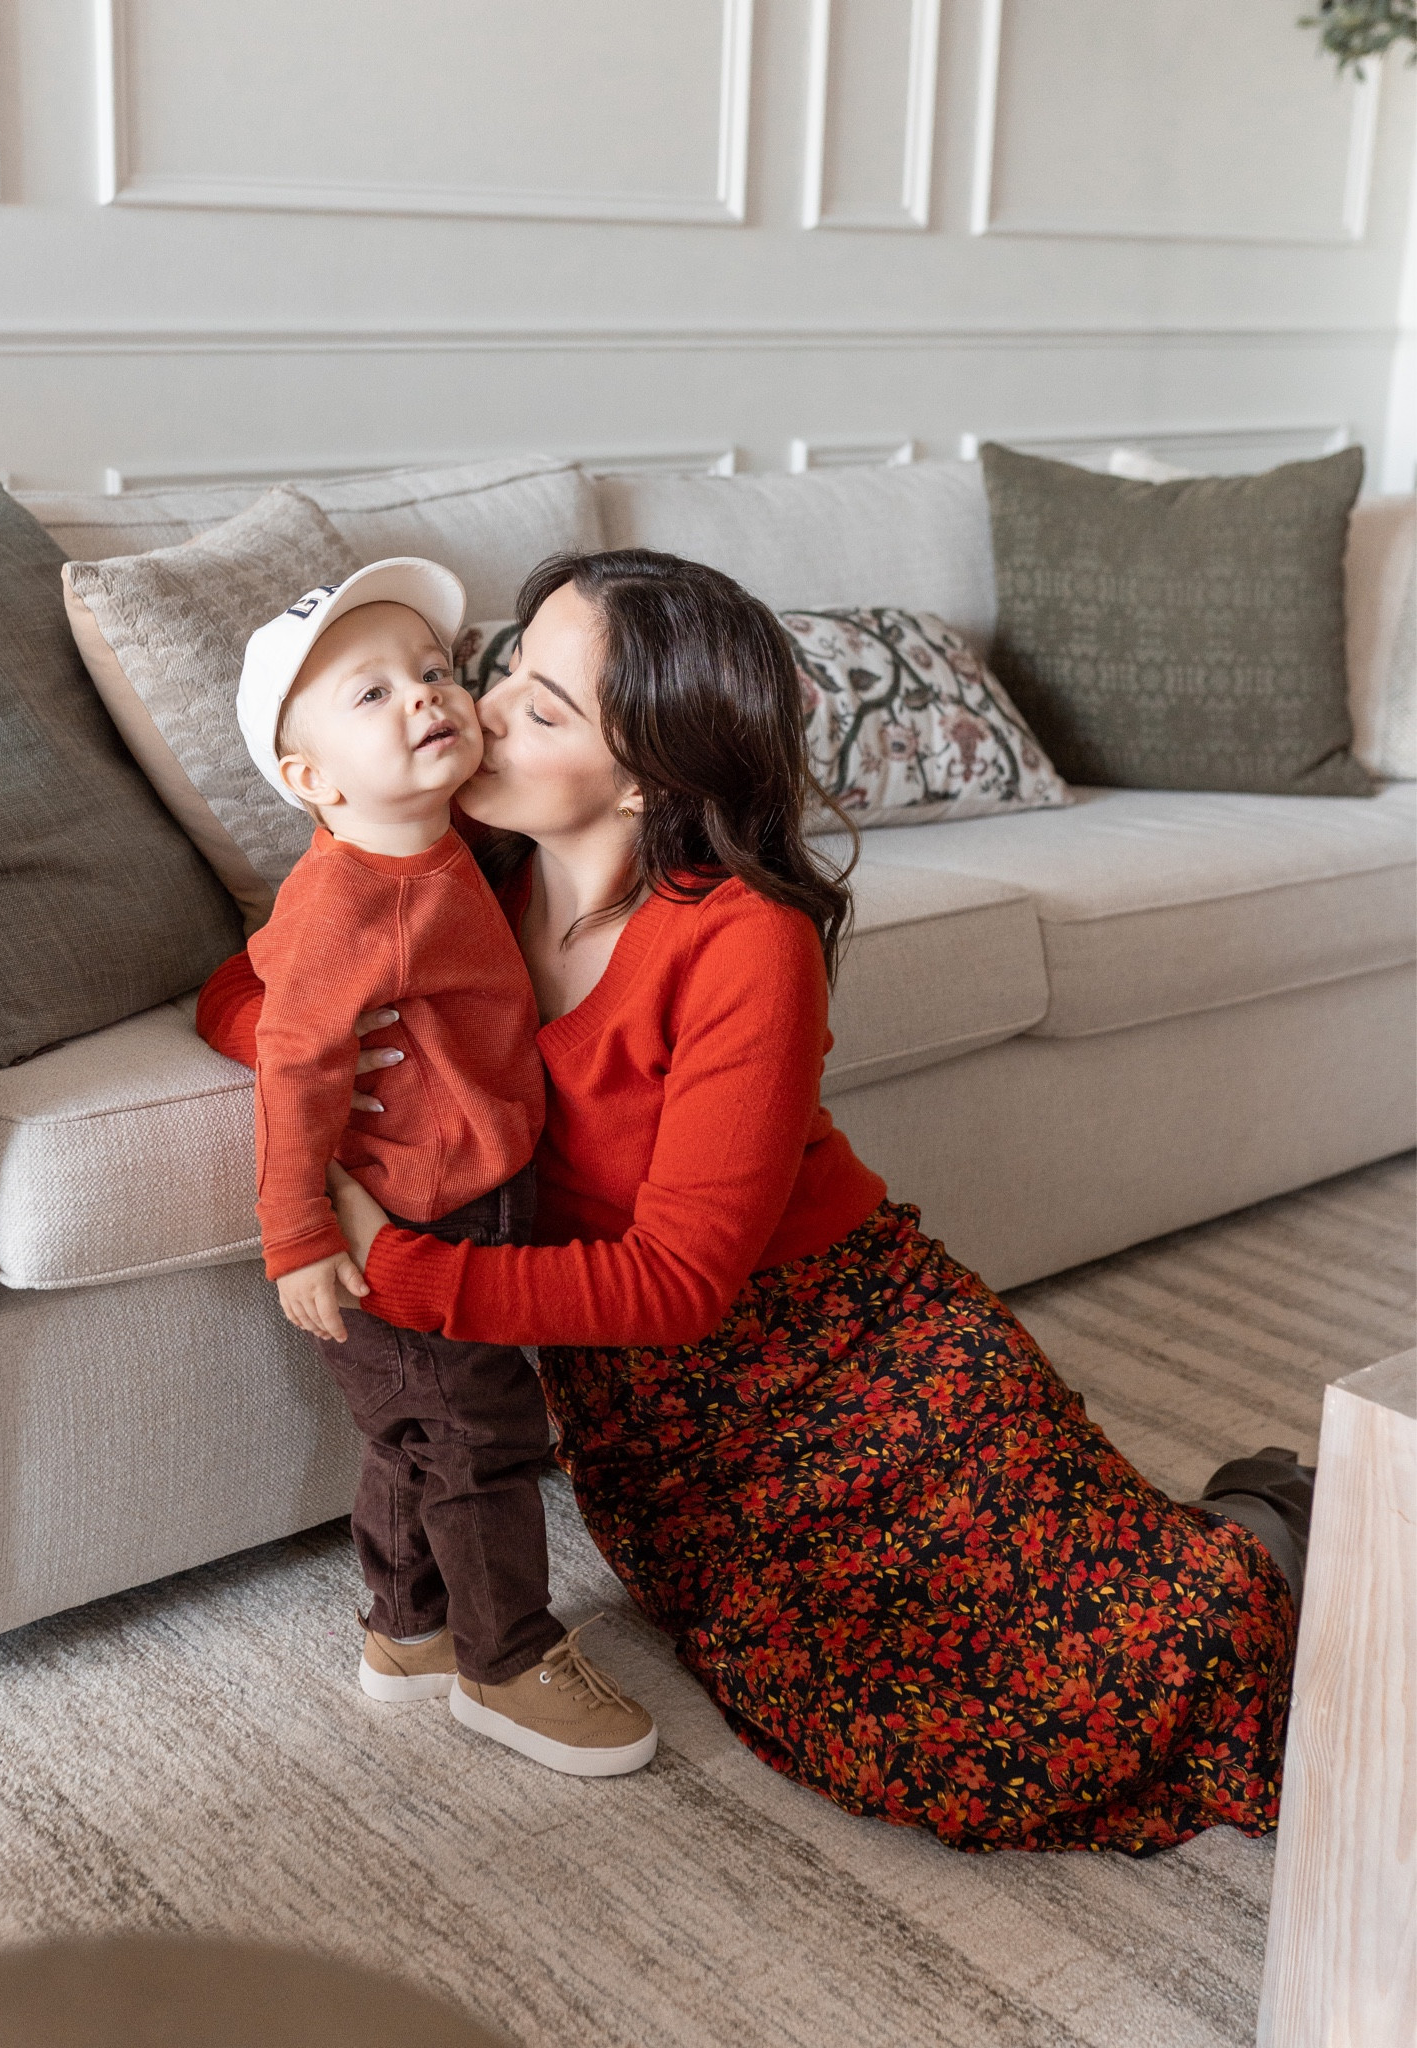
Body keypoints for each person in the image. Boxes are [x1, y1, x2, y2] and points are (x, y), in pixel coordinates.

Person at [203, 548, 1302, 1855]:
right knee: (865, 1731)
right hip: (661, 1415)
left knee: (1111, 1686)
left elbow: (675, 1283)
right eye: (504, 672)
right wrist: (338, 1061)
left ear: (643, 775)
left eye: (540, 708)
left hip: (857, 1349)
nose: (478, 713)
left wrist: (391, 1264)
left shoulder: (740, 937)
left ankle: (1266, 1522)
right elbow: (249, 990)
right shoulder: (459, 862)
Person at [226, 558, 656, 1778]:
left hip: (475, 1184)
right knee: (482, 1435)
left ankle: (407, 1627)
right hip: (409, 1219)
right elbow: (291, 1066)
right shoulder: (343, 905)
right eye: (371, 696)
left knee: (416, 1433)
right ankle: (505, 1659)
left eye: (433, 671)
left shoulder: (454, 837)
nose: (426, 698)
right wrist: (300, 1234)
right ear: (312, 782)